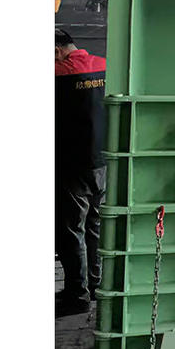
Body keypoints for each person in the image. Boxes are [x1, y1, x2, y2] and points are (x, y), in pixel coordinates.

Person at [55, 28, 107, 317]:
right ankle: (95, 285)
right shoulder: (104, 67)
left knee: (71, 230)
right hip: (102, 162)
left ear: (56, 51)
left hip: (72, 166)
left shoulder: (57, 73)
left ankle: (77, 295)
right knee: (94, 226)